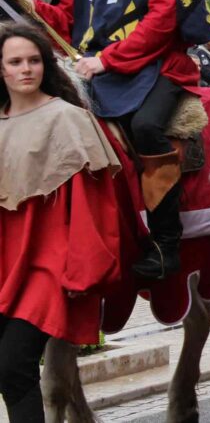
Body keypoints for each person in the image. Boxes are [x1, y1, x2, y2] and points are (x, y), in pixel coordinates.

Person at [0, 0, 210, 280]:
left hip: (159, 69)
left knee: (147, 126)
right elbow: (66, 22)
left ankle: (165, 243)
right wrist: (27, 5)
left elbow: (160, 25)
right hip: (95, 69)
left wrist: (106, 60)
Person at [0, 23, 122, 422]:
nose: (26, 69)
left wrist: (83, 269)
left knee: (14, 366)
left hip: (46, 267)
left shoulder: (69, 119)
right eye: (15, 62)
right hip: (3, 262)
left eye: (34, 60)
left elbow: (94, 207)